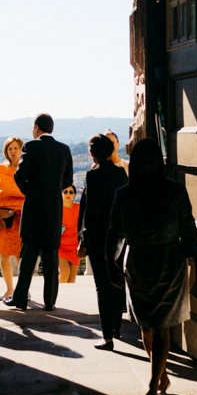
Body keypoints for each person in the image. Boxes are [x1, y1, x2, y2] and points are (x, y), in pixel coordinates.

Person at [106, 138, 197, 395]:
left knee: (162, 324)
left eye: (153, 161)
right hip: (137, 264)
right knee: (146, 326)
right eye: (142, 162)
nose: (148, 167)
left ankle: (152, 386)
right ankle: (161, 375)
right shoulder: (123, 195)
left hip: (169, 263)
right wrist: (111, 264)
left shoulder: (175, 192)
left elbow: (188, 229)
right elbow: (115, 232)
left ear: (160, 164)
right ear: (135, 165)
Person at [6, 113, 73, 312]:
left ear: (36, 128)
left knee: (28, 255)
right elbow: (68, 180)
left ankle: (20, 299)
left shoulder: (31, 146)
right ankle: (50, 301)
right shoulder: (64, 149)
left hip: (34, 206)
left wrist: (30, 191)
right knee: (51, 255)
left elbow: (20, 175)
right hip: (54, 206)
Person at [79, 133, 129, 350]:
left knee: (102, 286)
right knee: (117, 281)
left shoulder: (94, 175)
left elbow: (92, 212)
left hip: (100, 237)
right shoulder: (120, 173)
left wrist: (85, 240)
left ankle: (107, 336)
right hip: (120, 235)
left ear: (92, 154)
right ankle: (116, 327)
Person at [0, 136, 26, 301]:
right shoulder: (1, 169)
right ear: (6, 151)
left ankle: (23, 289)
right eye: (10, 149)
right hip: (5, 217)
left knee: (20, 255)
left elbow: (26, 193)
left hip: (21, 217)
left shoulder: (26, 169)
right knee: (4, 255)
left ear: (21, 150)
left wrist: (14, 202)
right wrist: (13, 203)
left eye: (16, 148)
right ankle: (9, 289)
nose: (13, 151)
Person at [58, 185, 81, 283]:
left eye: (71, 192)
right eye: (65, 191)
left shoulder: (79, 208)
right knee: (64, 272)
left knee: (72, 279)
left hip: (75, 246)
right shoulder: (57, 209)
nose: (68, 194)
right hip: (60, 246)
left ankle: (64, 295)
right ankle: (58, 296)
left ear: (74, 195)